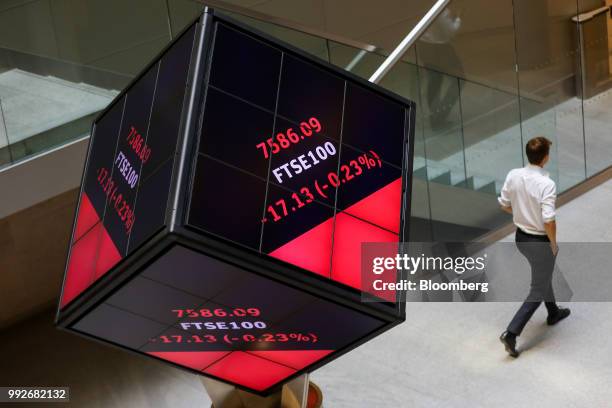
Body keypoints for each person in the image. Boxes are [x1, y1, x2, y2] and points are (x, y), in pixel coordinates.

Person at [497, 136, 571, 358]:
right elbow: (548, 220)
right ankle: (511, 332)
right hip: (539, 241)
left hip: (521, 238)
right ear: (545, 158)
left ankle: (553, 312)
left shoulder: (513, 175)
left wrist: (521, 214)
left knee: (542, 275)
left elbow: (503, 205)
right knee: (537, 289)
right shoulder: (546, 184)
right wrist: (553, 243)